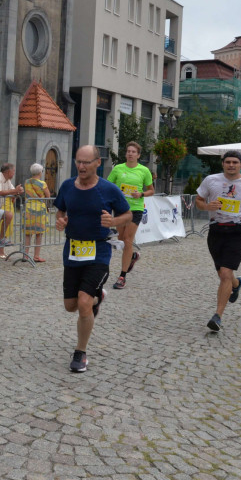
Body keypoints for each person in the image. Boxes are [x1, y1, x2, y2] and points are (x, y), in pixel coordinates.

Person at [54, 145, 132, 373]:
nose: (81, 166)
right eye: (78, 161)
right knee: (71, 306)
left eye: (86, 162)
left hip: (99, 252)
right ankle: (99, 298)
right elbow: (60, 210)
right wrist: (60, 221)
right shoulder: (68, 186)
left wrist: (114, 222)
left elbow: (127, 214)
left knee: (84, 302)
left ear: (98, 163)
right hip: (73, 251)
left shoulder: (108, 189)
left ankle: (80, 353)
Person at [195, 150, 241, 332]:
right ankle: (236, 284)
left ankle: (217, 316)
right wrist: (207, 206)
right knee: (222, 274)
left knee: (225, 273)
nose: (231, 165)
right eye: (228, 162)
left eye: (235, 162)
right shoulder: (211, 180)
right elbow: (199, 200)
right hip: (216, 230)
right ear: (223, 164)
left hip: (237, 231)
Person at [106, 141, 155, 289]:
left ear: (138, 155)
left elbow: (151, 190)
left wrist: (141, 194)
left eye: (133, 151)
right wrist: (116, 192)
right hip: (121, 208)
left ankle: (122, 276)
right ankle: (132, 256)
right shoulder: (118, 169)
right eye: (128, 151)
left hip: (136, 208)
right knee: (121, 240)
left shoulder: (144, 171)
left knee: (127, 240)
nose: (130, 153)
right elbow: (108, 186)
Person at [22, 163, 51, 262]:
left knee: (28, 233)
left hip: (28, 208)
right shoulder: (42, 184)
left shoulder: (27, 182)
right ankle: (36, 256)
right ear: (40, 172)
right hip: (39, 209)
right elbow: (48, 196)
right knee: (39, 234)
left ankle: (25, 255)